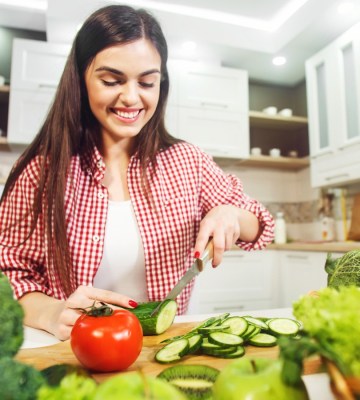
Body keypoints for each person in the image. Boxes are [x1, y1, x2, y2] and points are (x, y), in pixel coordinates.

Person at [0, 5, 274, 340]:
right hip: (77, 349)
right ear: (81, 78)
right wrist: (51, 311)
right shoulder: (40, 172)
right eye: (111, 80)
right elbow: (9, 272)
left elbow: (260, 226)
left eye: (147, 82)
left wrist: (230, 213)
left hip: (162, 348)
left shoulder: (188, 161)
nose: (131, 98)